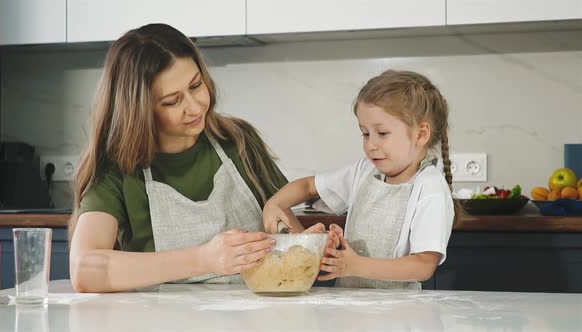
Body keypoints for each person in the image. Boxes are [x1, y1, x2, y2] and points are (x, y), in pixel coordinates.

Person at [69, 23, 291, 292]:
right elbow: (84, 270)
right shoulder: (117, 169)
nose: (195, 106)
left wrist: (308, 241)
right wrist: (204, 259)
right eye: (172, 101)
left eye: (196, 85)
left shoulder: (238, 140)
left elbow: (288, 231)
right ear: (139, 111)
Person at [263, 70, 458, 289]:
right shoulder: (364, 170)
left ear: (421, 134)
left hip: (398, 315)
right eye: (365, 133)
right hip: (350, 308)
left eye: (382, 133)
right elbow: (308, 186)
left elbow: (423, 266)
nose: (370, 145)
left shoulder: (430, 188)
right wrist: (275, 203)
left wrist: (354, 265)